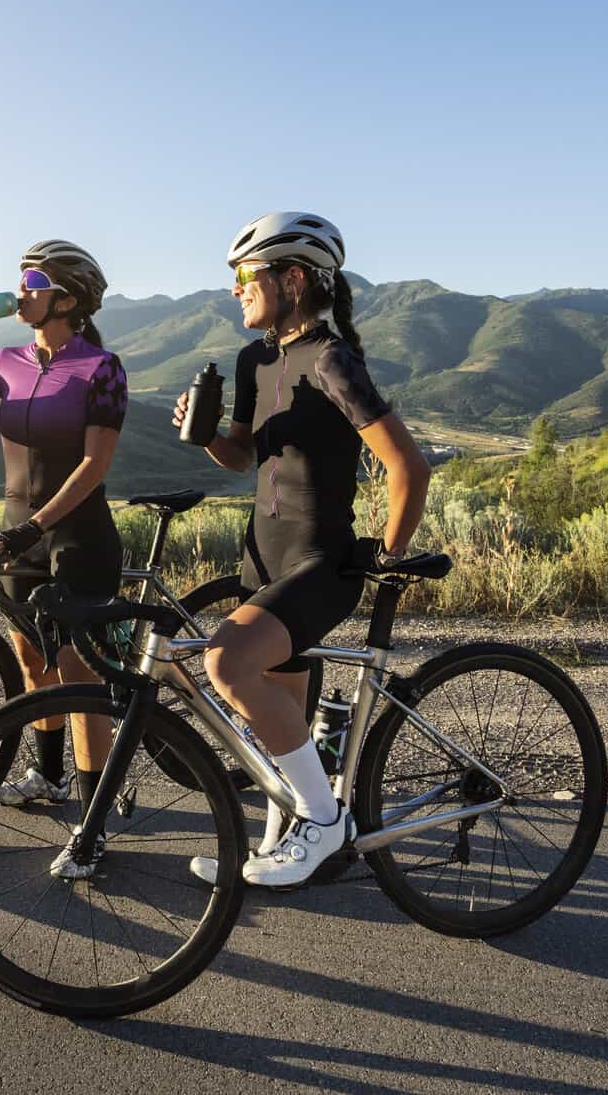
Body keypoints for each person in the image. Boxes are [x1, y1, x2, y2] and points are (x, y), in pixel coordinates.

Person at [173, 212, 431, 888]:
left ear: (291, 280)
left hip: (320, 563)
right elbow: (239, 459)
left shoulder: (331, 359)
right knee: (275, 721)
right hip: (261, 559)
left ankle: (326, 823)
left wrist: (390, 554)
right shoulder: (253, 359)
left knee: (227, 663)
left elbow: (408, 466)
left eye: (244, 275)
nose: (235, 289)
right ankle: (281, 846)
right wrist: (202, 434)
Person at [0, 239, 128, 878]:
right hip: (19, 532)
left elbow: (95, 465)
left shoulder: (101, 367)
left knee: (77, 673)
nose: (21, 289)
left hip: (76, 536)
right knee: (31, 657)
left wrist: (35, 527)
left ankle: (93, 827)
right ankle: (50, 779)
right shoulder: (9, 359)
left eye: (33, 280)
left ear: (66, 299)